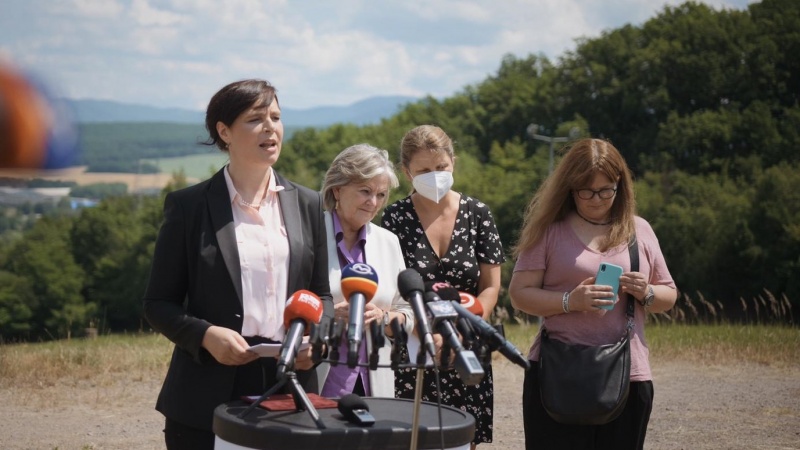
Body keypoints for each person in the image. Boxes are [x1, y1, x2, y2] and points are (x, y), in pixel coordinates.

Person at [142, 79, 333, 450]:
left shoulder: (308, 204)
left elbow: (321, 294)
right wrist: (205, 335)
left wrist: (317, 342)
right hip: (206, 391)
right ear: (224, 131)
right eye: (255, 119)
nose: (270, 127)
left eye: (276, 117)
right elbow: (157, 304)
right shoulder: (188, 207)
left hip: (291, 386)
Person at [508, 138, 677, 449]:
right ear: (570, 188)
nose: (596, 199)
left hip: (629, 374)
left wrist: (647, 292)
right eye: (586, 191)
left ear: (620, 184)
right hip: (558, 371)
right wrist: (570, 301)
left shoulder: (639, 230)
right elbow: (519, 294)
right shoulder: (549, 230)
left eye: (605, 190)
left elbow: (669, 295)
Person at [381, 124, 505, 448]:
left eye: (441, 167)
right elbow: (392, 291)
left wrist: (464, 330)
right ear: (406, 172)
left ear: (454, 163)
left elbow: (490, 287)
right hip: (415, 350)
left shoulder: (478, 214)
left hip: (467, 347)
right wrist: (425, 334)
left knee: (465, 441)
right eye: (424, 170)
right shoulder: (394, 219)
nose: (434, 175)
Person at [317, 143, 415, 398]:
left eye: (381, 194)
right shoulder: (309, 234)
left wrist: (384, 318)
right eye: (365, 191)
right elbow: (285, 306)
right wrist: (328, 316)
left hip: (375, 385)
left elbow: (408, 313)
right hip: (318, 381)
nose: (373, 203)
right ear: (337, 189)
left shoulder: (388, 242)